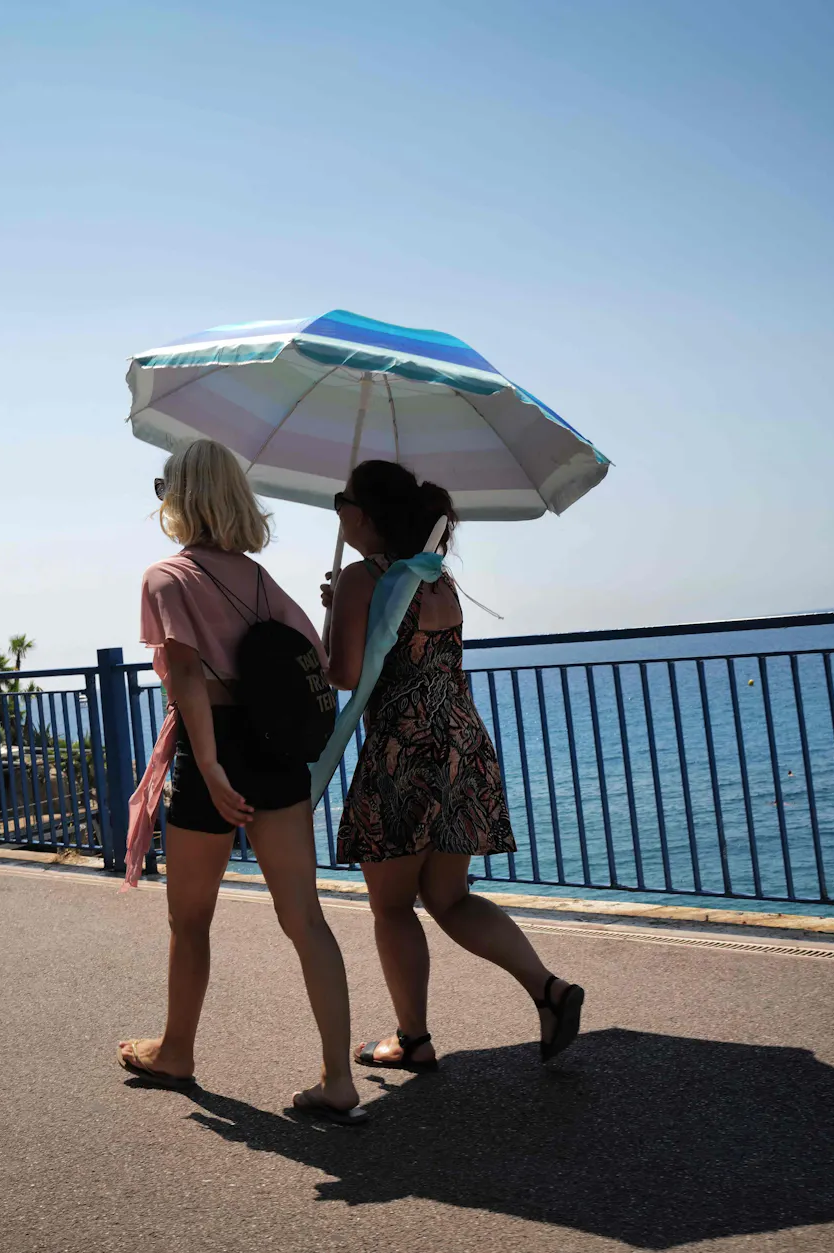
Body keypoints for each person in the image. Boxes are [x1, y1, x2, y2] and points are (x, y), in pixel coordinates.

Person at [118, 438, 366, 1125]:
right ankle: (338, 1076)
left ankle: (177, 1051)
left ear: (181, 497)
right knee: (305, 917)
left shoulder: (166, 577)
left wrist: (215, 768)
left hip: (215, 751)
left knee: (190, 918)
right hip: (277, 750)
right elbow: (314, 658)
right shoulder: (258, 580)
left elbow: (189, 678)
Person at [321, 460, 585, 1071]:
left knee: (392, 906)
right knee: (450, 897)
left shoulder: (367, 578)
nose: (339, 512)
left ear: (363, 514)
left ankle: (413, 1040)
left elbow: (344, 674)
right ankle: (549, 990)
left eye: (342, 501)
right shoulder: (437, 579)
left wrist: (336, 609)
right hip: (461, 746)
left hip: (403, 754)